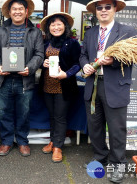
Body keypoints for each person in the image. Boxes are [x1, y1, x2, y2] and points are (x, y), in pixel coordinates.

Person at [79, 0, 137, 183]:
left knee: (116, 129)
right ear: (95, 11)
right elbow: (83, 54)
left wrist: (112, 60)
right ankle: (100, 157)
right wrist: (84, 64)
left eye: (107, 7)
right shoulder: (91, 32)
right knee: (94, 126)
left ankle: (118, 164)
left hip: (115, 87)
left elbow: (132, 58)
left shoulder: (128, 31)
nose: (103, 10)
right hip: (93, 85)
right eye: (99, 7)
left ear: (115, 9)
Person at [0, 0, 44, 157]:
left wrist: (30, 68)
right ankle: (6, 141)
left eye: (21, 9)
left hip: (24, 80)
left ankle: (22, 141)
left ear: (26, 12)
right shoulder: (0, 30)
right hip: (3, 79)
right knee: (3, 112)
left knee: (24, 113)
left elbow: (39, 54)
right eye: (14, 9)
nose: (18, 12)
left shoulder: (35, 32)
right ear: (9, 12)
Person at [39, 12, 81, 163]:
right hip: (47, 85)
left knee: (60, 117)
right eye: (52, 24)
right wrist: (41, 63)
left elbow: (78, 64)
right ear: (48, 27)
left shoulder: (72, 43)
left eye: (59, 24)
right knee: (52, 115)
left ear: (65, 26)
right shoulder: (45, 43)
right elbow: (40, 59)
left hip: (64, 85)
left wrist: (67, 74)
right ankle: (53, 140)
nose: (56, 27)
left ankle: (58, 146)